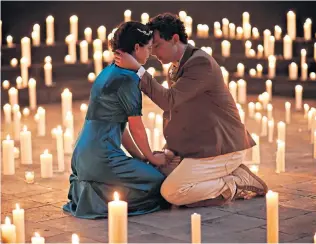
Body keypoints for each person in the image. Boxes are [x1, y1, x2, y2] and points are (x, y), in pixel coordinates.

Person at [114, 13, 268, 207]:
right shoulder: (175, 67)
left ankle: (235, 182)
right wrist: (170, 152)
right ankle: (228, 175)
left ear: (175, 39)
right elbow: (180, 114)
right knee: (158, 175)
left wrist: (138, 70)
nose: (152, 52)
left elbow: (169, 102)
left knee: (172, 192)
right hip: (200, 146)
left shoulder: (200, 63)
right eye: (150, 47)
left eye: (157, 45)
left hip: (223, 148)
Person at [63, 21, 169, 219]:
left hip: (81, 154)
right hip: (101, 156)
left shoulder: (108, 71)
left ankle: (91, 189)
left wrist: (139, 156)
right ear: (136, 48)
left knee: (141, 172)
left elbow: (120, 127)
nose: (150, 54)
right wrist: (153, 158)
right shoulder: (128, 79)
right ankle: (98, 200)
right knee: (158, 182)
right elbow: (136, 127)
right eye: (147, 48)